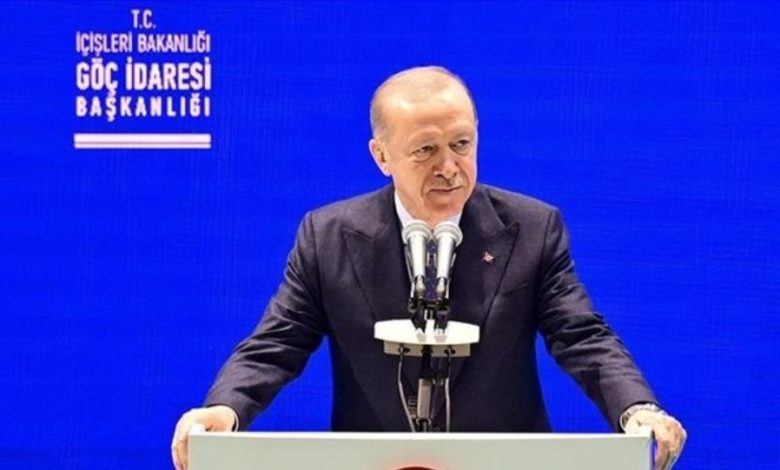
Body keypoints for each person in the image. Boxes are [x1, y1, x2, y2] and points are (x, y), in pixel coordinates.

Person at [171, 66, 687, 470]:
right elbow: (277, 342)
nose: (449, 167)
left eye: (461, 144)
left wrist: (636, 409)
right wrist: (224, 409)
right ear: (382, 156)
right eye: (425, 150)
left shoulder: (532, 228)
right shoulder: (328, 237)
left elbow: (582, 336)